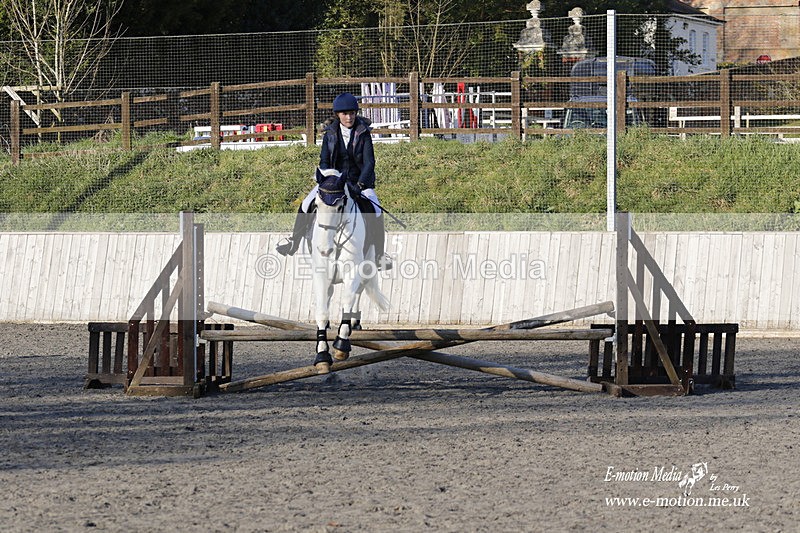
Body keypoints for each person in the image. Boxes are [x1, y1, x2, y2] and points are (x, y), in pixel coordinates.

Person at [276, 92, 392, 269]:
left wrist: (360, 185)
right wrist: (328, 179)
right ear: (337, 114)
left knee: (376, 209)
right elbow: (324, 160)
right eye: (345, 114)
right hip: (333, 181)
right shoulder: (330, 133)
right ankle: (294, 242)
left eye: (352, 113)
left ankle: (379, 256)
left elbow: (369, 163)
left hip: (358, 182)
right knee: (306, 203)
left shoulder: (363, 132)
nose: (349, 117)